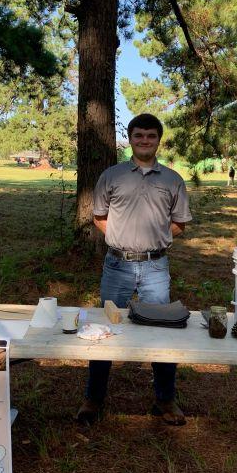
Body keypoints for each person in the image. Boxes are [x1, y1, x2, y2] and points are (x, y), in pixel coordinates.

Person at [77, 113, 193, 426]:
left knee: (162, 332)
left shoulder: (172, 179)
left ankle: (165, 400)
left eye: (150, 136)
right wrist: (120, 240)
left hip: (156, 267)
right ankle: (93, 399)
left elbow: (179, 222)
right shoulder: (112, 176)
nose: (144, 141)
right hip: (117, 266)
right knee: (104, 330)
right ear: (130, 139)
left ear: (158, 140)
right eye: (138, 135)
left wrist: (157, 240)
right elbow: (99, 216)